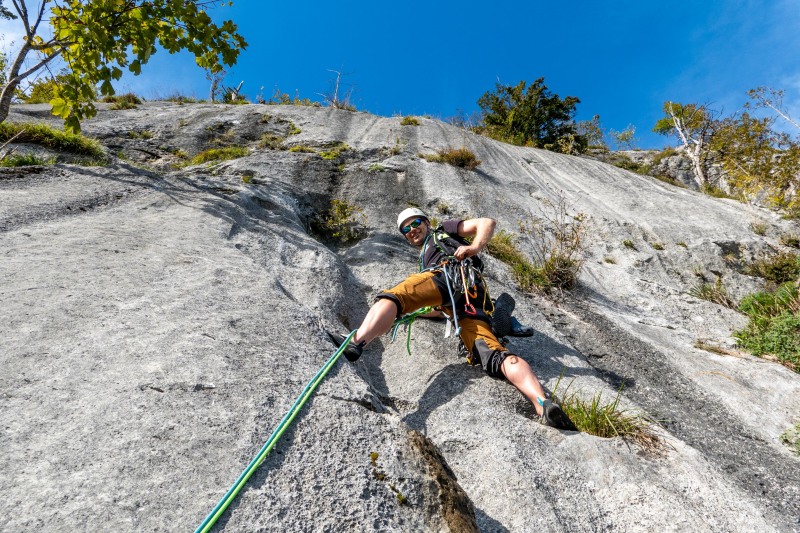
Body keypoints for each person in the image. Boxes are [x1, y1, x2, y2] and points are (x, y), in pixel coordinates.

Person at [330, 207, 574, 429]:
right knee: (494, 355)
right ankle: (542, 404)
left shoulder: (442, 231)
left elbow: (486, 221)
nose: (411, 230)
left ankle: (357, 343)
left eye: (415, 223)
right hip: (467, 305)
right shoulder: (426, 252)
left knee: (394, 297)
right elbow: (438, 307)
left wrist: (473, 247)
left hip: (446, 275)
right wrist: (420, 313)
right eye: (405, 229)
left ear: (426, 222)